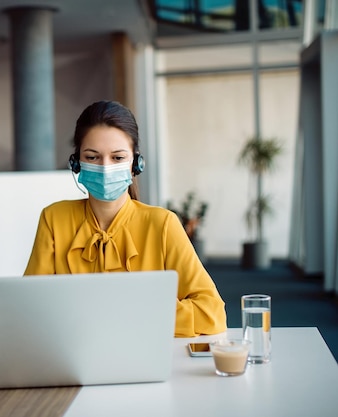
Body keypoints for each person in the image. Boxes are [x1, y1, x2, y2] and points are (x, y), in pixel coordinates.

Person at [24, 100, 226, 337]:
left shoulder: (162, 224)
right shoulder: (54, 218)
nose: (105, 167)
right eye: (92, 157)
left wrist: (133, 315)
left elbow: (212, 313)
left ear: (135, 165)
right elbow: (30, 306)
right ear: (76, 162)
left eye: (118, 158)